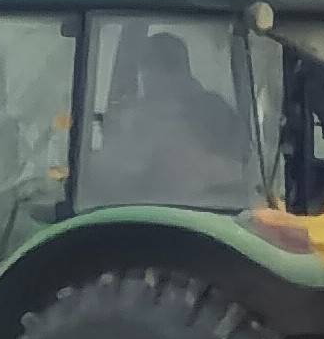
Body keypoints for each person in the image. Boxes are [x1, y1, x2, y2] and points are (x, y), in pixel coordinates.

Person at [92, 30, 249, 207]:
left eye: (149, 70)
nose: (146, 80)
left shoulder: (210, 111)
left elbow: (240, 169)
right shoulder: (139, 113)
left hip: (193, 211)